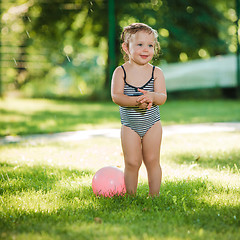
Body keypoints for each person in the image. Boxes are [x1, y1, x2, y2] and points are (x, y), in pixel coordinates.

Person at [111, 23, 167, 197]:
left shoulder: (156, 72)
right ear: (126, 48)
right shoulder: (121, 72)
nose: (146, 49)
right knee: (132, 162)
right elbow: (117, 96)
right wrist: (136, 101)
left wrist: (152, 96)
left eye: (150, 45)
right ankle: (131, 196)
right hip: (129, 125)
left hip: (152, 124)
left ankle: (154, 196)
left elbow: (162, 97)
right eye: (140, 45)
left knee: (152, 160)